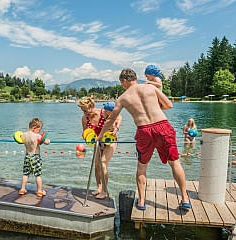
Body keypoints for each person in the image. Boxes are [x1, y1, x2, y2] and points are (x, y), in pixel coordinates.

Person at [97, 69, 191, 211]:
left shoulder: (122, 98)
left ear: (124, 81)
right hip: (163, 126)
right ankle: (184, 199)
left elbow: (110, 120)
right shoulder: (150, 87)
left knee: (142, 167)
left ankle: (141, 202)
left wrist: (100, 136)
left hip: (144, 130)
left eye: (121, 83)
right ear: (135, 78)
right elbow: (169, 105)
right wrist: (154, 109)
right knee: (175, 163)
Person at [77, 97, 122, 199]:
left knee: (103, 163)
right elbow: (84, 132)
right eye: (82, 110)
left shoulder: (104, 112)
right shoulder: (85, 118)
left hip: (109, 141)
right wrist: (87, 138)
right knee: (97, 165)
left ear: (92, 106)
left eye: (85, 110)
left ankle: (105, 191)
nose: (84, 112)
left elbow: (119, 117)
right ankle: (99, 188)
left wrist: (116, 127)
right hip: (97, 142)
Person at [18, 118, 50, 197]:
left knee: (25, 174)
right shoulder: (36, 136)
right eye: (39, 129)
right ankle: (39, 191)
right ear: (34, 127)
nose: (39, 131)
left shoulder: (23, 135)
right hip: (35, 157)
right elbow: (46, 142)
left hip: (27, 156)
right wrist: (47, 140)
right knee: (38, 175)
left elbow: (18, 139)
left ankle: (22, 189)